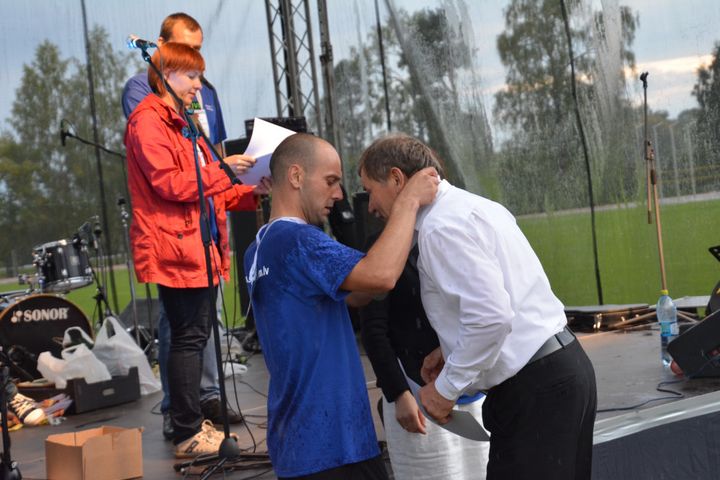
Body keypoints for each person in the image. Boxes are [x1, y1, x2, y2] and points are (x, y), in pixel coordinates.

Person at [358, 134, 597, 480]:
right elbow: (506, 306)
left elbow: (492, 318)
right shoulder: (473, 206)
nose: (369, 206)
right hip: (560, 371)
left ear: (396, 179)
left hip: (536, 388)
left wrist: (445, 389)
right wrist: (451, 348)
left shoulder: (440, 227)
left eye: (370, 190)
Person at [243, 133, 439, 479]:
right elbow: (379, 276)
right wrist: (407, 201)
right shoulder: (299, 241)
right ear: (296, 176)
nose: (338, 195)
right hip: (332, 444)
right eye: (331, 181)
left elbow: (357, 294)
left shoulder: (258, 248)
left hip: (297, 442)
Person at [124, 42, 264, 457]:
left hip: (197, 246)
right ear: (165, 76)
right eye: (191, 76)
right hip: (174, 247)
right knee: (188, 337)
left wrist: (253, 189)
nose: (198, 85)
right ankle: (186, 430)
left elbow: (209, 188)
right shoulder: (147, 122)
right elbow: (171, 184)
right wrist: (225, 170)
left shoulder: (184, 122)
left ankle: (192, 424)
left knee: (196, 335)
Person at [359, 228, 489, 479]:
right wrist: (399, 393)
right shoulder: (381, 245)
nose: (371, 208)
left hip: (471, 392)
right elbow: (373, 330)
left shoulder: (454, 231)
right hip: (417, 399)